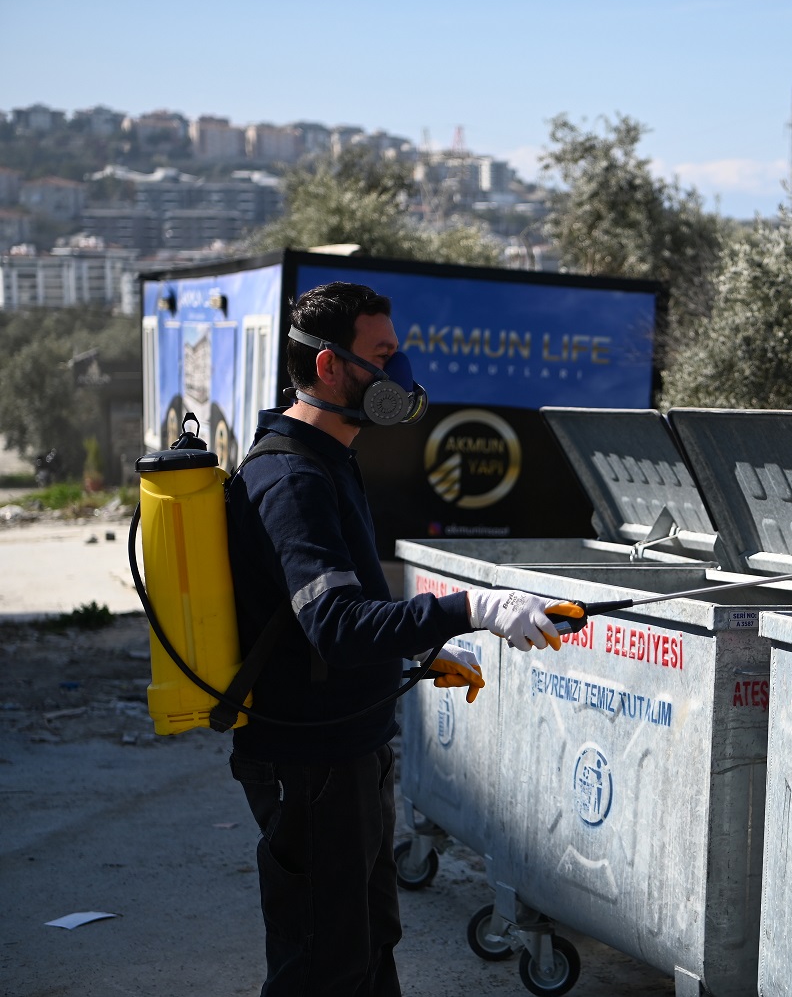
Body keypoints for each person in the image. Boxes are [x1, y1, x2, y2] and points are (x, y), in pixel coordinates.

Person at [224, 281, 583, 996]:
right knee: (323, 965)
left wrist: (417, 653)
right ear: (330, 367)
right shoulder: (290, 477)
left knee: (368, 944)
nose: (400, 371)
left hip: (351, 748)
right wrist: (473, 607)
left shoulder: (330, 459)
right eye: (382, 354)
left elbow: (337, 611)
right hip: (311, 762)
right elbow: (334, 625)